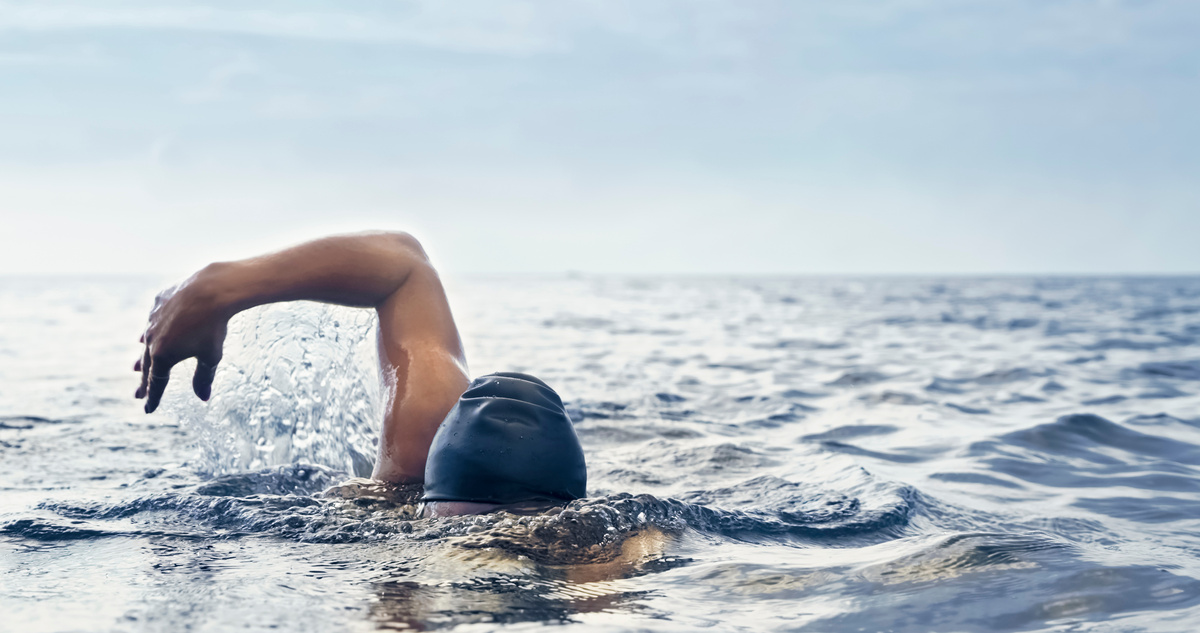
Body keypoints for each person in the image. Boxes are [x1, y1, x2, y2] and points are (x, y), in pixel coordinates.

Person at [134, 231, 586, 518]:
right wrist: (220, 288)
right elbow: (403, 265)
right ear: (429, 486)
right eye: (447, 530)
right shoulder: (408, 471)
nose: (465, 550)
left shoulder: (603, 563)